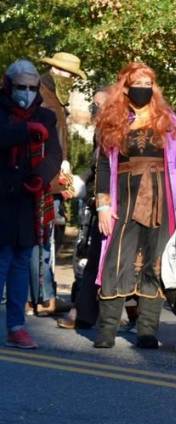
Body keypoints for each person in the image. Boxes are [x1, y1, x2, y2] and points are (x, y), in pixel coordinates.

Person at [93, 62, 176, 349]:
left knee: (155, 262)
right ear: (126, 86)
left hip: (162, 199)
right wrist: (103, 206)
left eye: (148, 85)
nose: (143, 90)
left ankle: (147, 330)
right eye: (138, 84)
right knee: (116, 259)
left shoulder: (168, 120)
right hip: (125, 197)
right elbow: (104, 167)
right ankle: (107, 330)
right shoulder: (114, 120)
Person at [0, 59, 62, 348]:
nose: (25, 92)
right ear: (9, 85)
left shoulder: (46, 116)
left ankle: (16, 325)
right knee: (2, 260)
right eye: (20, 86)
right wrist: (24, 131)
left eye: (31, 87)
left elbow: (54, 154)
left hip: (27, 196)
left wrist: (41, 177)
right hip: (2, 195)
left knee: (22, 261)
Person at [29, 52, 86, 316]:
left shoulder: (54, 95)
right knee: (40, 239)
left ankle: (43, 295)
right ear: (57, 71)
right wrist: (59, 168)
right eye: (69, 74)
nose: (72, 80)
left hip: (50, 177)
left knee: (44, 238)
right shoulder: (42, 93)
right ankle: (40, 298)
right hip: (43, 178)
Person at [57, 88, 108, 330]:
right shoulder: (101, 130)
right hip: (98, 203)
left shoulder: (115, 130)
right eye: (93, 105)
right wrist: (81, 182)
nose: (93, 110)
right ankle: (83, 310)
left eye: (98, 105)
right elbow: (95, 166)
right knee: (89, 257)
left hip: (111, 204)